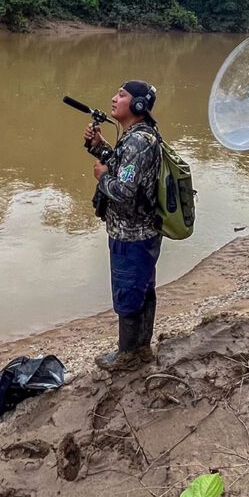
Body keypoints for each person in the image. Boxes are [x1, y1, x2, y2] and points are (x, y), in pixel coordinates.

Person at [83, 80, 163, 371]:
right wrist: (99, 147)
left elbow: (124, 191)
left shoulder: (139, 140)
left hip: (132, 235)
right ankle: (141, 349)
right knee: (141, 289)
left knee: (129, 291)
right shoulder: (137, 137)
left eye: (122, 94)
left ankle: (128, 355)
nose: (114, 98)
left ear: (138, 105)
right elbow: (126, 169)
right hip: (141, 232)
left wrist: (101, 177)